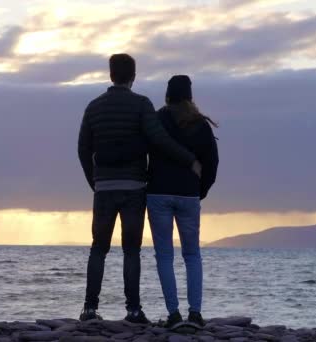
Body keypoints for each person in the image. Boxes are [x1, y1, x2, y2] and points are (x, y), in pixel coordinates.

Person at [77, 55, 201, 323]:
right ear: (133, 76)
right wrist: (189, 159)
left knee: (98, 248)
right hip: (134, 188)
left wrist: (94, 181)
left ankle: (89, 309)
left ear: (111, 75)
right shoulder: (141, 105)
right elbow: (159, 139)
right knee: (131, 250)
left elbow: (83, 149)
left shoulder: (94, 107)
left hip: (104, 188)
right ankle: (133, 310)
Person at [146, 75, 219, 329]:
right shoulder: (200, 124)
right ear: (189, 96)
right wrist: (201, 191)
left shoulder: (155, 120)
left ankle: (174, 314)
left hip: (158, 193)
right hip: (189, 194)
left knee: (164, 256)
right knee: (192, 255)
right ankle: (195, 314)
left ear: (167, 95)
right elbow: (212, 163)